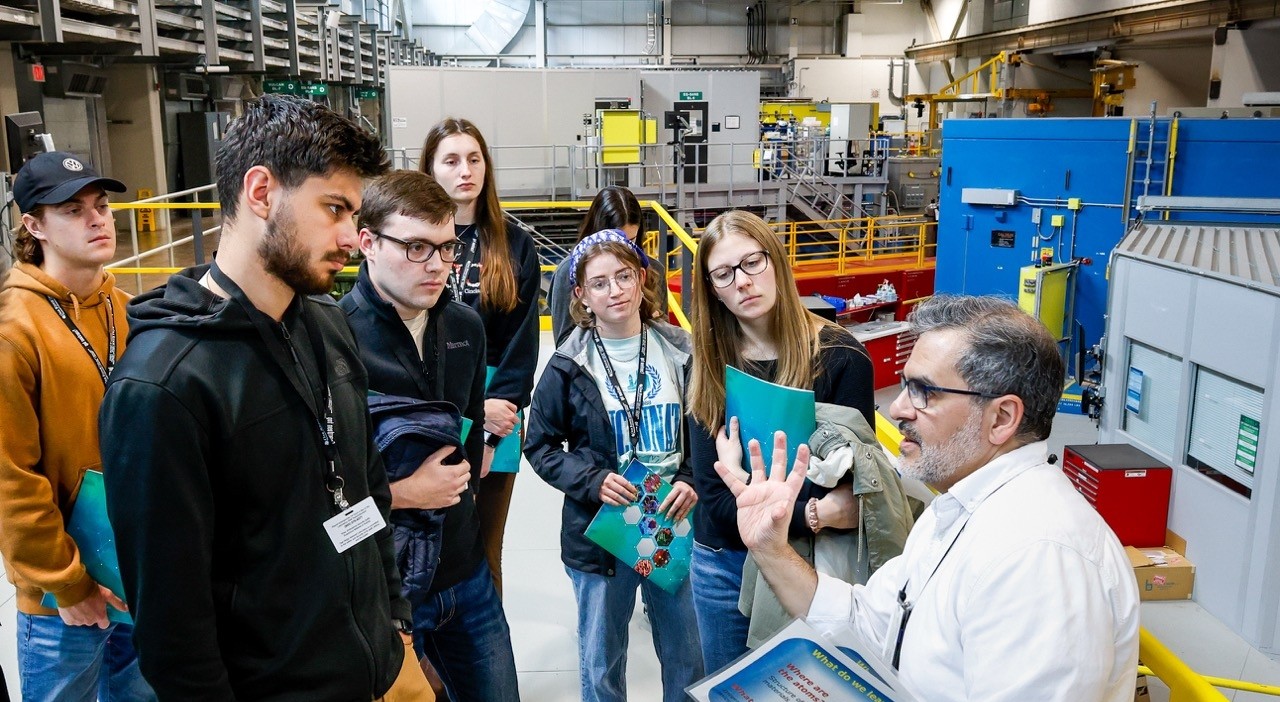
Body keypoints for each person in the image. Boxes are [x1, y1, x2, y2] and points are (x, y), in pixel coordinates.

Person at [98, 95, 431, 701]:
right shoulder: (164, 385)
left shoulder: (328, 327)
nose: (352, 239)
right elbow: (174, 627)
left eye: (355, 214)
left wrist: (395, 625)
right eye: (334, 209)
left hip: (377, 666)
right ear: (261, 192)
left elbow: (364, 487)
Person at [716, 295, 1141, 702]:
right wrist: (769, 548)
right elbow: (863, 620)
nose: (896, 409)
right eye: (903, 386)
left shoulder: (1040, 558)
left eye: (923, 392)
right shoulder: (956, 511)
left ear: (1002, 418)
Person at [341, 170, 521, 702]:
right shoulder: (333, 341)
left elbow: (466, 450)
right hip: (384, 592)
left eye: (447, 249)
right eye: (417, 247)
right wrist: (401, 495)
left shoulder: (465, 327)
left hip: (466, 576)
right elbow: (315, 506)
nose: (439, 266)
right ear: (367, 242)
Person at [685, 209, 876, 672]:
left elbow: (852, 493)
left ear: (776, 261)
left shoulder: (841, 358)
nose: (742, 282)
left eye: (752, 263)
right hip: (722, 566)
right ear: (711, 289)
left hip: (805, 566)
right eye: (724, 274)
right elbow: (715, 499)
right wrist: (812, 512)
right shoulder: (706, 365)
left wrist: (770, 506)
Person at [0, 152, 154, 702]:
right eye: (73, 208)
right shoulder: (14, 331)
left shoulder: (127, 309)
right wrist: (66, 584)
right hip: (60, 603)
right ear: (34, 226)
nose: (97, 219)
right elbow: (11, 480)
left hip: (133, 579)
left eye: (102, 205)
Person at [526, 230, 702, 702]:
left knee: (687, 654)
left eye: (624, 276)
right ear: (581, 295)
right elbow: (539, 446)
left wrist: (689, 480)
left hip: (672, 521)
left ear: (642, 279)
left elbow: (707, 430)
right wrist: (593, 480)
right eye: (599, 283)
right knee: (602, 662)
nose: (615, 290)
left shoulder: (681, 352)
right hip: (603, 531)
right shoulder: (568, 363)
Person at [420, 118, 539, 597]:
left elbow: (521, 344)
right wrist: (465, 410)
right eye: (450, 160)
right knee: (425, 548)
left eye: (474, 159)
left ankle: (485, 663)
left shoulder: (514, 243)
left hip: (499, 417)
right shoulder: (415, 243)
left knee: (486, 550)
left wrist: (491, 424)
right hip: (431, 405)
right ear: (430, 169)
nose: (465, 170)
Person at [547, 185, 667, 347]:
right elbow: (564, 344)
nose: (623, 251)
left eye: (630, 241)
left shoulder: (653, 269)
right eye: (614, 241)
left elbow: (665, 334)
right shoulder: (568, 271)